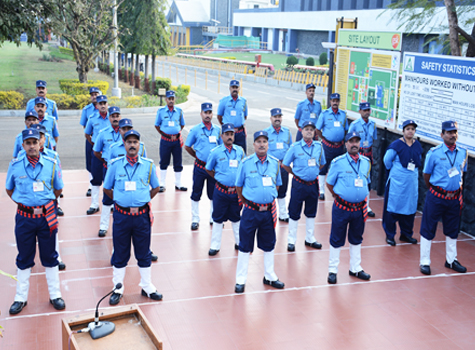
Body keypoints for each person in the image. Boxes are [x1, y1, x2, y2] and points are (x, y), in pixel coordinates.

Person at [6, 129, 65, 314]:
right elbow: (10, 190)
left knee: (50, 256)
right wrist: (28, 205)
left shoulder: (51, 163)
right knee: (24, 257)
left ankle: (55, 294)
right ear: (22, 145)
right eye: (28, 143)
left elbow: (57, 189)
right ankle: (20, 298)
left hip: (46, 217)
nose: (32, 146)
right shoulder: (15, 165)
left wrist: (42, 204)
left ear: (40, 143)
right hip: (25, 218)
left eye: (34, 142)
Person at [103, 130, 163, 305]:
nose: (132, 145)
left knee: (143, 252)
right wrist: (121, 200)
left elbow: (155, 187)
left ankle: (147, 286)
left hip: (141, 216)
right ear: (124, 144)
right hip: (122, 216)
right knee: (120, 252)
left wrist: (141, 200)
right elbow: (107, 188)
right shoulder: (115, 165)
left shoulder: (148, 165)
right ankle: (118, 287)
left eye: (135, 142)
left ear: (139, 145)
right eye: (128, 142)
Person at [234, 131, 284, 293]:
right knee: (244, 246)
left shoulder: (275, 163)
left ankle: (269, 275)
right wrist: (247, 202)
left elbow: (277, 185)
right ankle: (240, 280)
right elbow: (239, 186)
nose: (262, 144)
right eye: (258, 141)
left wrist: (266, 198)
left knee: (269, 244)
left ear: (268, 144)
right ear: (253, 144)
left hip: (268, 212)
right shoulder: (246, 163)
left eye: (264, 141)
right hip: (250, 211)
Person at [419, 121, 468, 276]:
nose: (452, 135)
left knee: (453, 229)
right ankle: (425, 261)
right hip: (436, 197)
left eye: (455, 132)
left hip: (454, 198)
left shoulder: (462, 153)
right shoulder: (434, 153)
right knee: (428, 228)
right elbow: (426, 175)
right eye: (449, 132)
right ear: (442, 135)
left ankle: (451, 260)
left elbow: (462, 173)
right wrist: (436, 189)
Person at [326, 131, 372, 284]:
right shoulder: (338, 162)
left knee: (357, 238)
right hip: (342, 208)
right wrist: (339, 196)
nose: (354, 144)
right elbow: (329, 183)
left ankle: (355, 268)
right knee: (336, 238)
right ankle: (333, 270)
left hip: (359, 209)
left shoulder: (366, 162)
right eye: (351, 141)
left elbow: (367, 182)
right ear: (346, 144)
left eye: (357, 141)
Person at [282, 121, 325, 252]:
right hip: (299, 184)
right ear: (302, 131)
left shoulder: (319, 146)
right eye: (306, 129)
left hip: (313, 184)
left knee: (311, 212)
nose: (309, 132)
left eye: (312, 130)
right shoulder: (295, 147)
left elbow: (322, 163)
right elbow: (285, 164)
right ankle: (291, 240)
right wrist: (296, 174)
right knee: (294, 211)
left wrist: (313, 173)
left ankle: (310, 238)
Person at [205, 123, 245, 255]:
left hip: (235, 193)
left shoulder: (240, 151)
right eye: (226, 134)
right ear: (221, 136)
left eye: (231, 134)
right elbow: (208, 168)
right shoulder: (215, 152)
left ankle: (239, 242)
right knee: (217, 218)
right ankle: (215, 245)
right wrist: (219, 178)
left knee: (236, 218)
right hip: (221, 192)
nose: (229, 137)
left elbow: (243, 168)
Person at [382, 120, 422, 246]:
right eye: (408, 128)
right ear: (403, 130)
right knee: (393, 208)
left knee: (409, 208)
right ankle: (390, 235)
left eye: (412, 129)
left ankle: (406, 234)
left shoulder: (417, 145)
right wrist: (396, 172)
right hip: (397, 183)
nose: (410, 131)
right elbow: (387, 160)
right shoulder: (396, 145)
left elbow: (418, 161)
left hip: (411, 184)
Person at [184, 102, 221, 230]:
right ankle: (195, 218)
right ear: (201, 114)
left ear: (212, 114)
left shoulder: (217, 130)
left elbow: (221, 148)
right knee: (196, 192)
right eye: (205, 112)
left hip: (213, 168)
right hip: (200, 167)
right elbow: (187, 146)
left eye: (210, 112)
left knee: (213, 193)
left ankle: (212, 216)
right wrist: (197, 156)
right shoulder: (195, 130)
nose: (207, 115)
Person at [92, 106, 121, 237]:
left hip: (124, 170)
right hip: (108, 169)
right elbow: (96, 151)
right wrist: (105, 161)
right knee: (107, 196)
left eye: (117, 116)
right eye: (113, 116)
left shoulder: (126, 133)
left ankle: (121, 227)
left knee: (122, 196)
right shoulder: (103, 133)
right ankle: (103, 226)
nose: (115, 118)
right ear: (109, 118)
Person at [316, 93, 348, 200]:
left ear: (339, 102)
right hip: (327, 146)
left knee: (338, 167)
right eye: (333, 100)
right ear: (330, 102)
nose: (335, 102)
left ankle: (337, 190)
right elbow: (317, 129)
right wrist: (324, 139)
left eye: (337, 101)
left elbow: (346, 129)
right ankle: (321, 191)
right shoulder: (324, 114)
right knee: (323, 167)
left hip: (339, 146)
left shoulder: (343, 114)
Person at [348, 102, 377, 217]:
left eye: (368, 110)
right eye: (364, 110)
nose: (366, 112)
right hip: (357, 153)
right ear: (359, 111)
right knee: (354, 176)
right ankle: (352, 200)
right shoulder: (355, 124)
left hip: (368, 153)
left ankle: (366, 204)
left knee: (367, 179)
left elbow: (373, 139)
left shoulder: (373, 124)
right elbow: (349, 140)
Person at [154, 90, 187, 192]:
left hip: (176, 141)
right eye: (169, 99)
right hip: (165, 141)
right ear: (166, 99)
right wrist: (166, 134)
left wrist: (175, 133)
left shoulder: (179, 111)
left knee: (178, 162)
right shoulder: (161, 111)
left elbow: (182, 124)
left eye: (173, 98)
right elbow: (157, 125)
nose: (171, 100)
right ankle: (162, 183)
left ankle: (178, 183)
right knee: (164, 161)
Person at [264, 108, 292, 222]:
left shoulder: (287, 132)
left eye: (279, 116)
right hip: (271, 166)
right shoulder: (266, 133)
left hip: (283, 166)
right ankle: (268, 212)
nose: (277, 119)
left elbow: (290, 149)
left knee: (283, 189)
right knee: (269, 188)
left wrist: (287, 163)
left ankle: (283, 213)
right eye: (275, 117)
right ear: (271, 118)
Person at [84, 95, 110, 215]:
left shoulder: (113, 117)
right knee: (96, 179)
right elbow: (87, 134)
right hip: (97, 154)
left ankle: (113, 203)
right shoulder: (93, 118)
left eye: (105, 103)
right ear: (97, 106)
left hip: (110, 155)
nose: (103, 105)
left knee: (112, 179)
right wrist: (95, 146)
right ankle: (94, 204)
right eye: (101, 103)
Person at [79, 87, 102, 197]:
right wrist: (92, 140)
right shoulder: (86, 110)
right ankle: (90, 185)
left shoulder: (106, 109)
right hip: (91, 140)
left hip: (105, 142)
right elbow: (85, 126)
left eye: (96, 94)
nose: (94, 96)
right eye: (92, 95)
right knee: (90, 163)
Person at [217, 80, 248, 153]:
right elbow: (219, 116)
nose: (234, 89)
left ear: (239, 89)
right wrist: (225, 126)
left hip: (240, 133)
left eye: (236, 87)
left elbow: (245, 116)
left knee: (241, 153)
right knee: (227, 152)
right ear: (229, 88)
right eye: (233, 87)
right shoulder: (224, 101)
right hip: (228, 133)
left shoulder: (243, 101)